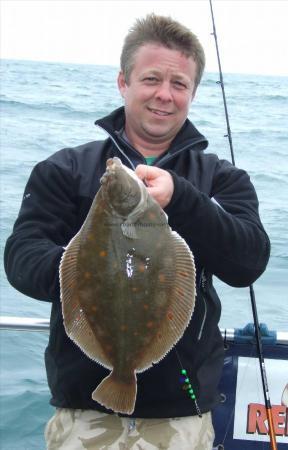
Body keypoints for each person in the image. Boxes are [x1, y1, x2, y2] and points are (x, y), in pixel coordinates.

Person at [4, 13, 270, 450]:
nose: (165, 95)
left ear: (193, 93)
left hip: (181, 416)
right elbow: (20, 258)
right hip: (83, 410)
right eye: (151, 79)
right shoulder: (64, 170)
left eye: (179, 84)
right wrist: (87, 267)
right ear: (123, 82)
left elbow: (249, 262)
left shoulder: (221, 180)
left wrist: (183, 199)